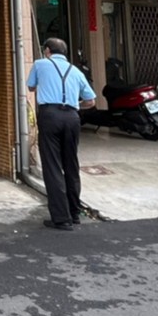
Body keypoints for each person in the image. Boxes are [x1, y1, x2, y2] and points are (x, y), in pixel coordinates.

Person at [26, 37, 97, 231]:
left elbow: (31, 86)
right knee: (71, 165)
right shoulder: (76, 71)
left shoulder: (40, 64)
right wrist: (75, 106)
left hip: (50, 115)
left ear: (47, 50)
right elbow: (91, 101)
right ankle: (74, 213)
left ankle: (61, 218)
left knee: (52, 166)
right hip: (72, 117)